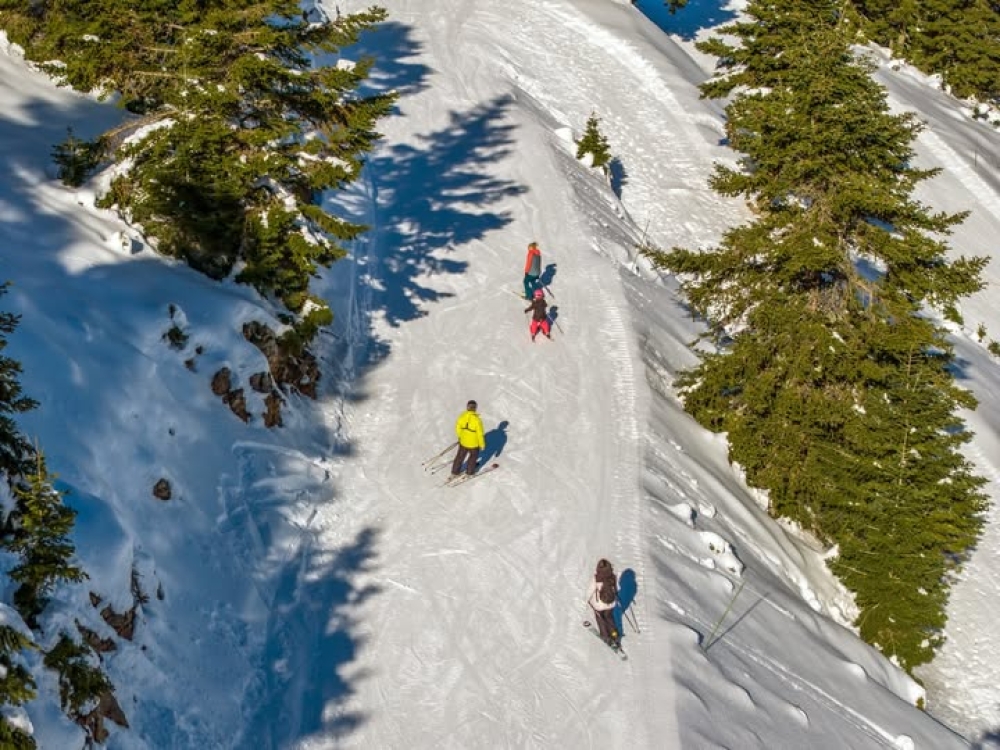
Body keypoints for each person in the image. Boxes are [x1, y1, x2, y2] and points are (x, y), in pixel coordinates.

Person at [586, 558, 620, 647]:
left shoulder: (596, 578)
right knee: (609, 619)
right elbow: (617, 589)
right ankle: (615, 637)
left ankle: (606, 637)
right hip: (611, 604)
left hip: (599, 605)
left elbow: (590, 590)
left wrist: (586, 599)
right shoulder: (613, 576)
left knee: (601, 619)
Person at [451, 400, 486, 477]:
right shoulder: (477, 420)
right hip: (473, 444)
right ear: (475, 408)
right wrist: (482, 444)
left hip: (463, 442)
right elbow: (480, 434)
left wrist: (461, 436)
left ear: (467, 407)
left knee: (459, 456)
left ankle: (455, 471)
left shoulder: (462, 416)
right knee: (473, 457)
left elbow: (457, 428)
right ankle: (469, 472)